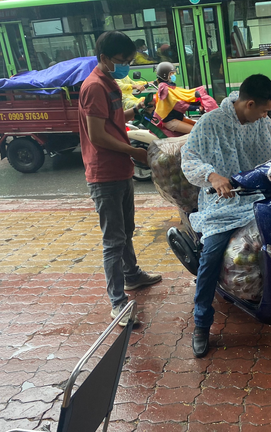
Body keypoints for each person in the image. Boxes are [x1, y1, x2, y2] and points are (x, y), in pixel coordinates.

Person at [181, 74, 271, 358]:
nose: (267, 117)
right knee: (212, 254)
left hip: (260, 196)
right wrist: (213, 176)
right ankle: (201, 323)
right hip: (223, 203)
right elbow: (190, 157)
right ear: (250, 103)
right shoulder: (211, 123)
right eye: (265, 111)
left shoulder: (263, 124)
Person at [78, 31, 162, 326]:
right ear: (104, 59)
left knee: (126, 230)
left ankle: (132, 275)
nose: (125, 65)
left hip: (120, 170)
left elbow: (112, 121)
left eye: (128, 60)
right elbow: (97, 135)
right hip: (104, 174)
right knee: (113, 241)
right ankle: (117, 303)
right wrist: (133, 152)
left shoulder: (110, 82)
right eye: (122, 60)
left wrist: (135, 109)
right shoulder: (93, 87)